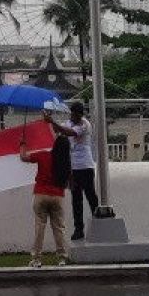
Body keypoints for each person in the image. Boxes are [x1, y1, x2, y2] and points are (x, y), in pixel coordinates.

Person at [20, 115, 72, 267]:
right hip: (57, 197)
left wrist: (23, 144)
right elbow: (69, 181)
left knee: (39, 228)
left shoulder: (44, 155)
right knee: (59, 228)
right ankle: (62, 258)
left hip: (41, 195)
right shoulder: (66, 163)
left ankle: (36, 259)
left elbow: (23, 157)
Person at [51, 100, 100, 241]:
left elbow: (69, 133)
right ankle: (79, 229)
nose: (74, 117)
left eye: (77, 115)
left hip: (85, 165)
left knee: (91, 196)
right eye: (73, 114)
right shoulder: (69, 122)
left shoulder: (84, 124)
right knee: (76, 199)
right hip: (73, 168)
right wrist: (52, 122)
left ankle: (98, 225)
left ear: (80, 114)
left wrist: (54, 123)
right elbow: (59, 131)